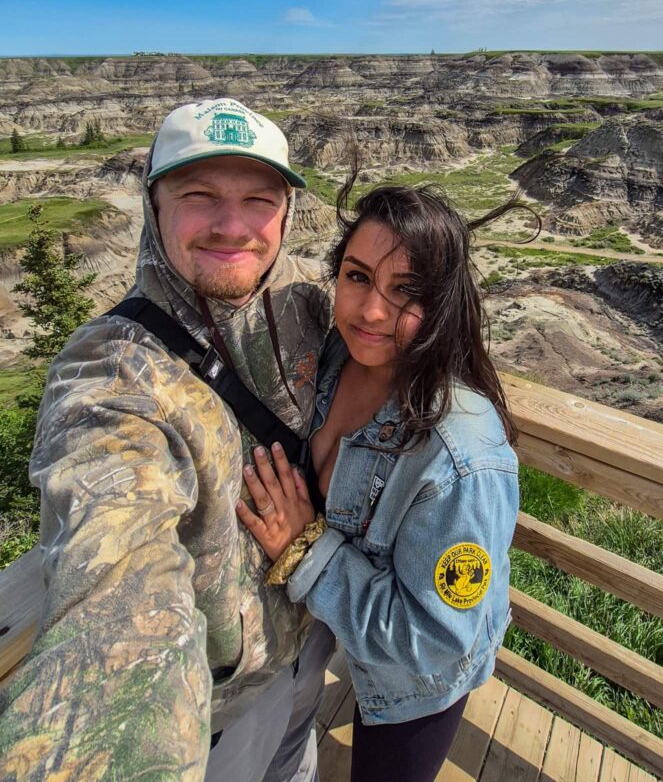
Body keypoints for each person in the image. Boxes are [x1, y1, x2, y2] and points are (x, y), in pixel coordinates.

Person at [0, 99, 333, 782]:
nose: (232, 225)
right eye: (199, 196)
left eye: (258, 201)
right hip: (216, 711)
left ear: (287, 215)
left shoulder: (308, 308)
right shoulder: (110, 372)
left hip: (311, 645)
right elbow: (117, 573)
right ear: (154, 206)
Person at [237, 183, 521, 782]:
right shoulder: (334, 360)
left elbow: (435, 639)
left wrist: (304, 547)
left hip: (412, 683)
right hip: (330, 638)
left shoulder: (460, 456)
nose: (370, 312)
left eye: (406, 293)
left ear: (443, 304)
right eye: (358, 276)